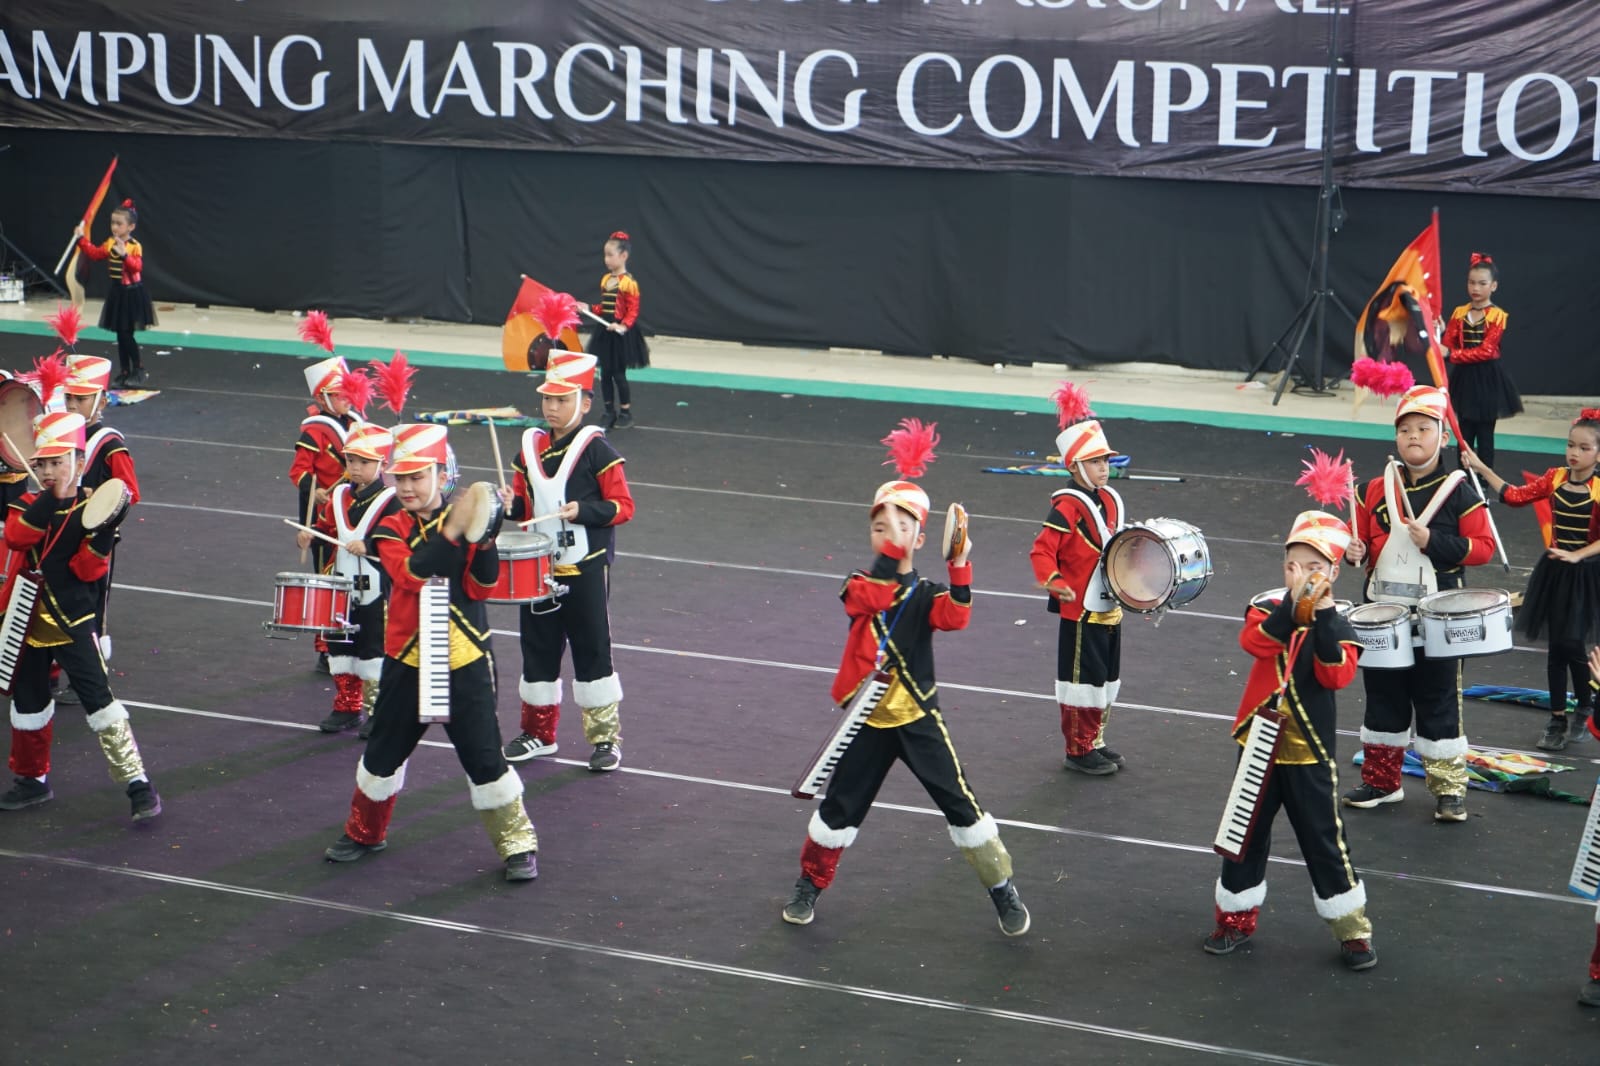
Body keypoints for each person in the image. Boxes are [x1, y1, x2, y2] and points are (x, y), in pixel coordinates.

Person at [781, 419, 1029, 937]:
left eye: (898, 528)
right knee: (839, 810)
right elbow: (871, 596)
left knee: (961, 805)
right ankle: (809, 884)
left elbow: (956, 616)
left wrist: (961, 565)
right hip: (866, 721)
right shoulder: (857, 585)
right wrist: (889, 551)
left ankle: (1001, 887)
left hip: (918, 717)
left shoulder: (928, 594)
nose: (887, 535)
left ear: (921, 535)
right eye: (878, 527)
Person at [323, 423, 538, 882]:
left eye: (418, 476)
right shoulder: (389, 527)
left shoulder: (461, 521)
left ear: (443, 476)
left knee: (484, 757)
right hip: (409, 659)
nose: (407, 487)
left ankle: (518, 843)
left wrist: (483, 539)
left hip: (464, 659)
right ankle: (365, 831)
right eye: (400, 478)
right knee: (383, 753)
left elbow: (481, 588)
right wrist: (456, 532)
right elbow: (412, 576)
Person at [1203, 511, 1374, 971]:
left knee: (1323, 838)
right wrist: (1290, 606)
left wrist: (1321, 618)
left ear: (1334, 573)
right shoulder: (1266, 607)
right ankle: (1234, 920)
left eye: (1313, 567)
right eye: (1292, 565)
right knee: (1245, 833)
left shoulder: (1340, 622)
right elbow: (1255, 643)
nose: (1300, 575)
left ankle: (1351, 928)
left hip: (1309, 750)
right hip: (1260, 739)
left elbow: (1336, 674)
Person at [1342, 385, 1496, 822]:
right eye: (1405, 429)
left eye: (1424, 429)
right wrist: (1355, 553)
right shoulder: (1373, 489)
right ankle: (1382, 782)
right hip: (1382, 612)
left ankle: (1449, 790)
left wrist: (1436, 542)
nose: (1413, 436)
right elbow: (1372, 545)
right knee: (1383, 697)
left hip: (1438, 616)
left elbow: (1482, 548)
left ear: (1441, 437)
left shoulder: (1460, 491)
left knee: (1438, 697)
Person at [0, 411, 160, 820]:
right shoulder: (26, 504)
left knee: (100, 702)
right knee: (29, 704)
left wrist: (105, 532)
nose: (51, 470)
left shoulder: (94, 506)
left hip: (72, 622)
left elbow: (87, 571)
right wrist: (50, 498)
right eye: (44, 463)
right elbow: (18, 538)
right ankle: (32, 780)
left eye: (59, 461)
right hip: (27, 619)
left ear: (77, 458)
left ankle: (137, 783)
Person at [501, 351, 636, 772]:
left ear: (584, 402)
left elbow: (623, 507)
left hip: (585, 569)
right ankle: (538, 733)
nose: (553, 408)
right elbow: (527, 509)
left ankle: (604, 739)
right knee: (537, 649)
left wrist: (585, 510)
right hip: (538, 568)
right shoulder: (529, 448)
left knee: (592, 650)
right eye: (547, 400)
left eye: (562, 399)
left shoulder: (597, 450)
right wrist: (511, 505)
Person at [1460, 410, 1600, 750]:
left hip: (1586, 575)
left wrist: (1578, 555)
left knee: (1573, 644)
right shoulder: (1554, 478)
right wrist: (1480, 466)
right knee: (1556, 650)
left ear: (1598, 454)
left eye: (1583, 448)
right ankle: (1556, 719)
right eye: (1570, 445)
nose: (1574, 453)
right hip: (1553, 572)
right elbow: (1513, 495)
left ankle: (1585, 705)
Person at [1030, 385, 1127, 775]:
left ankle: (1095, 740)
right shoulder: (1067, 506)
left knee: (1105, 681)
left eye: (1105, 460)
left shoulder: (1109, 499)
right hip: (1079, 610)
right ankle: (1077, 749)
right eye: (1094, 462)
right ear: (1074, 468)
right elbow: (1041, 550)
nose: (1104, 467)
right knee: (1081, 684)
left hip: (1109, 606)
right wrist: (1053, 580)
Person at [296, 422, 400, 736]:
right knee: (340, 648)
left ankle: (377, 710)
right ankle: (346, 706)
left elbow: (399, 542)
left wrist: (369, 546)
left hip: (377, 590)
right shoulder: (340, 496)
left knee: (373, 650)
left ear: (382, 463)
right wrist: (310, 535)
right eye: (351, 460)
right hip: (341, 587)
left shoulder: (392, 501)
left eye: (363, 462)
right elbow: (329, 530)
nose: (355, 467)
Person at [49, 354, 140, 706]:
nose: (73, 404)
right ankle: (51, 666)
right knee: (54, 596)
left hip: (94, 540)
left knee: (91, 605)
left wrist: (94, 498)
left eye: (81, 398)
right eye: (69, 397)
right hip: (57, 533)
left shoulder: (109, 442)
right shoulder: (61, 435)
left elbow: (129, 491)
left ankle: (87, 673)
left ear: (101, 401)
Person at [289, 355, 362, 673]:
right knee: (327, 579)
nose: (347, 399)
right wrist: (314, 491)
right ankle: (325, 647)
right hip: (324, 517)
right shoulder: (314, 431)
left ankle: (354, 637)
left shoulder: (357, 423)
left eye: (349, 393)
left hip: (354, 512)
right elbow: (299, 472)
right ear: (322, 398)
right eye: (340, 394)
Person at [1440, 252, 1522, 468]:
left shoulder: (1497, 316)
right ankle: (1462, 478)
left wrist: (1451, 354)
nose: (1476, 288)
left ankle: (1485, 481)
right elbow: (1448, 344)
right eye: (1471, 283)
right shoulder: (1459, 313)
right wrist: (1438, 329)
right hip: (1464, 380)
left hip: (1488, 378)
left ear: (1493, 286)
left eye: (1482, 283)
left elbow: (1487, 351)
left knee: (1485, 434)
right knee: (1463, 432)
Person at [74, 199, 157, 387]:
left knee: (127, 334)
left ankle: (138, 369)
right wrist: (81, 240)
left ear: (131, 227)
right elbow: (95, 254)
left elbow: (137, 267)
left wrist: (124, 255)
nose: (115, 227)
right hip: (118, 294)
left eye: (119, 224)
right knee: (120, 334)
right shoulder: (111, 242)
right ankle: (125, 371)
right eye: (113, 223)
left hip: (132, 294)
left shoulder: (134, 246)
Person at [587, 230, 649, 430]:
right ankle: (608, 411)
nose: (606, 259)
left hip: (621, 334)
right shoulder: (606, 280)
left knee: (619, 375)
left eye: (610, 255)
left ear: (623, 256)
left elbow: (633, 310)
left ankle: (625, 412)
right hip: (605, 331)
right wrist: (587, 308)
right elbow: (604, 307)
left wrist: (623, 325)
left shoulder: (629, 283)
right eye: (605, 255)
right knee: (604, 374)